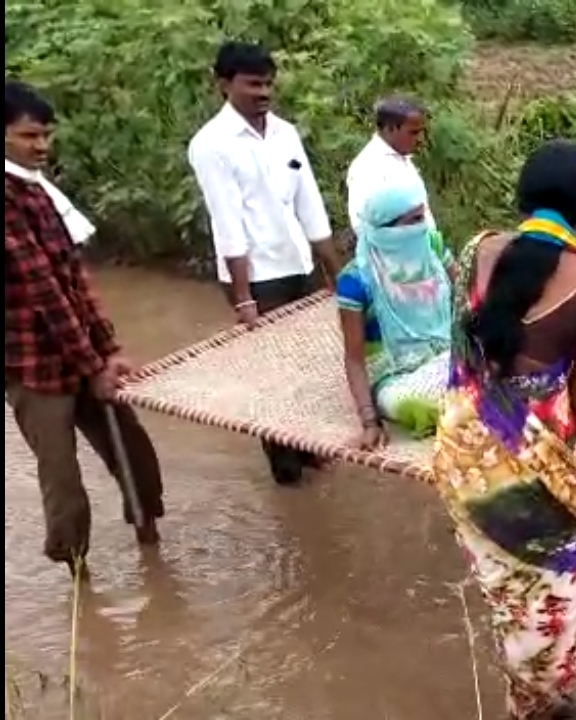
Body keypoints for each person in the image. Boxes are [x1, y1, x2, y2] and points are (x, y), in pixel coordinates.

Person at [429, 139, 576, 720]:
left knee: (504, 586)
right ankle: (533, 703)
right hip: (531, 468)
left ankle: (530, 698)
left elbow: (463, 350)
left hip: (459, 449)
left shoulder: (477, 248)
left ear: (525, 195)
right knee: (554, 582)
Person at [5, 80, 165, 575]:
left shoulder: (38, 191)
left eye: (46, 135)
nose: (42, 146)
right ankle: (78, 576)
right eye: (30, 136)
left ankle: (150, 543)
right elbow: (42, 295)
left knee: (133, 451)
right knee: (63, 477)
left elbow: (75, 276)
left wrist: (109, 348)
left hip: (80, 352)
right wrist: (94, 365)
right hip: (32, 364)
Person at [187, 40, 342, 486]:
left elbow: (310, 204)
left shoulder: (285, 133)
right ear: (223, 84)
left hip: (297, 262)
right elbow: (227, 222)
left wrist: (333, 274)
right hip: (256, 275)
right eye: (253, 83)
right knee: (275, 375)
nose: (263, 92)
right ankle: (285, 466)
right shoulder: (212, 145)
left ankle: (308, 446)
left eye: (268, 83)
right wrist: (242, 299)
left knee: (311, 363)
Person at [336, 182, 454, 447]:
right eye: (412, 221)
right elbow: (354, 358)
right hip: (396, 374)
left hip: (447, 352)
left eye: (422, 217)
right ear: (385, 229)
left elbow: (466, 299)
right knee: (418, 404)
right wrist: (369, 422)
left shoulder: (432, 247)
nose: (421, 226)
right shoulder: (356, 279)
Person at [345, 96, 437, 233]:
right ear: (389, 129)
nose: (420, 139)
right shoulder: (369, 168)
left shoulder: (401, 159)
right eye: (414, 133)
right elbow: (368, 227)